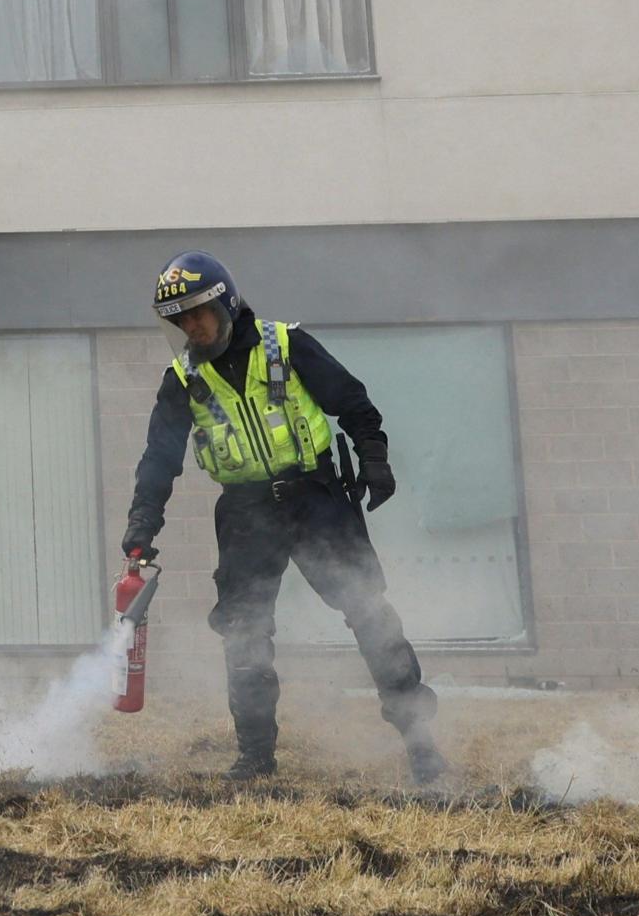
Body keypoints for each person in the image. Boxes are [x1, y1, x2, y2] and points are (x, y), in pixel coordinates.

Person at [121, 251, 445, 784]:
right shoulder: (181, 378)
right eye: (180, 319)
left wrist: (374, 459)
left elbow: (353, 402)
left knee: (369, 612)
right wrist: (142, 525)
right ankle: (254, 758)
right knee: (243, 632)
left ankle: (421, 745)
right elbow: (159, 460)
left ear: (224, 302)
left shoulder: (286, 345)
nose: (191, 327)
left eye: (198, 312)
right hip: (246, 513)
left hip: (315, 496)